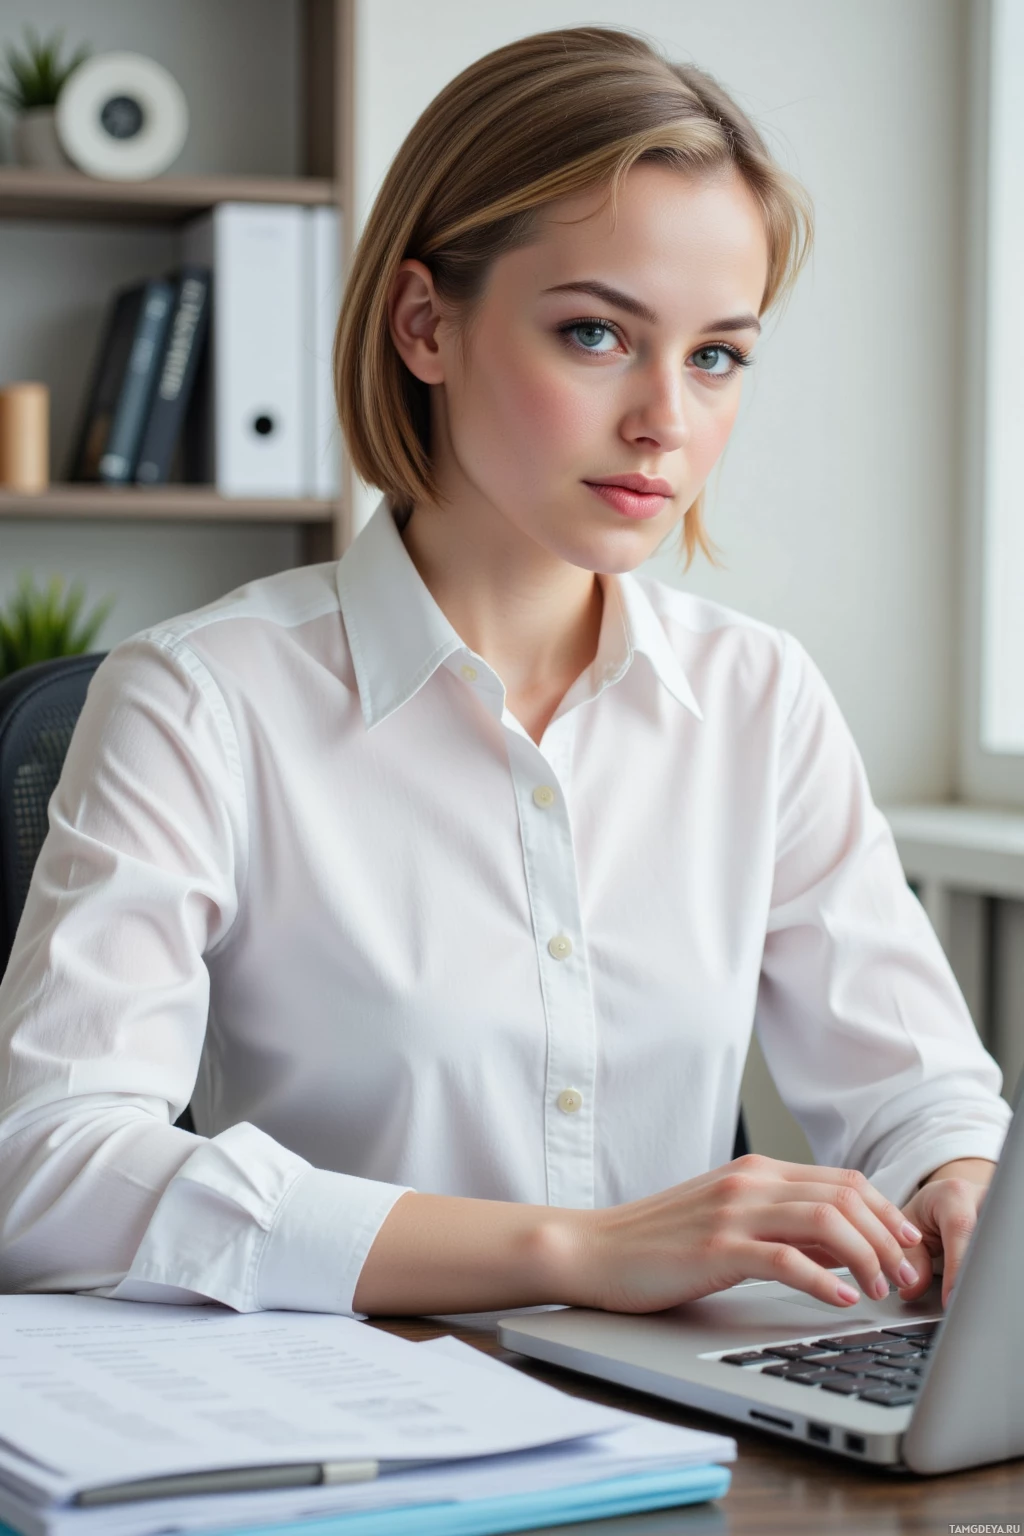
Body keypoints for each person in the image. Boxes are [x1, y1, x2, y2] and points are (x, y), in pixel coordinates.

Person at [0, 27, 1010, 1324]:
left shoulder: (759, 699)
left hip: (693, 1434)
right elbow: (46, 1166)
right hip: (340, 1447)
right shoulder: (200, 701)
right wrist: (573, 1251)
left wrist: (959, 1177)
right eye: (597, 334)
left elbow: (919, 1089)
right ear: (426, 323)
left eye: (716, 355)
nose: (667, 420)